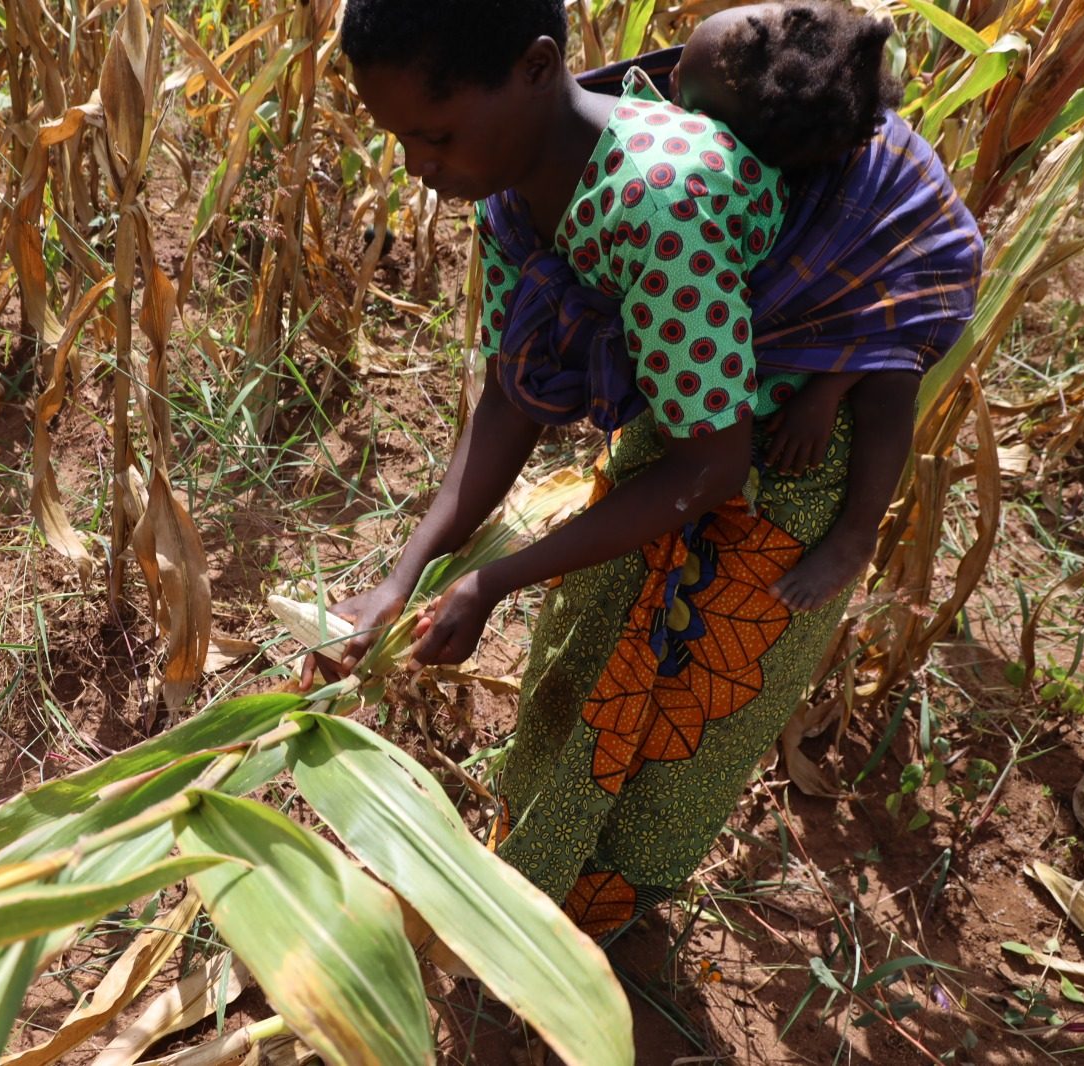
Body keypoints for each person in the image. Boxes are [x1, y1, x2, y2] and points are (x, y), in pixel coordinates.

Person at [309, 0, 982, 937]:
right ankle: (531, 920)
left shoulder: (660, 201)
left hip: (785, 485)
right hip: (682, 440)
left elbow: (715, 469)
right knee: (581, 684)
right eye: (403, 143)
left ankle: (599, 949)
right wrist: (404, 574)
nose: (421, 170)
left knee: (682, 735)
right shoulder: (512, 190)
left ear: (539, 68)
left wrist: (493, 581)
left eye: (434, 136)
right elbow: (512, 397)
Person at [673, 2, 914, 610]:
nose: (670, 87)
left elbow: (897, 305)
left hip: (888, 325)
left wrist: (831, 385)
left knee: (891, 387)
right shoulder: (766, 153)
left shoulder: (871, 186)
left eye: (689, 97)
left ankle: (858, 536)